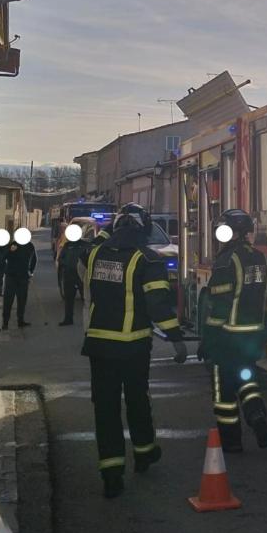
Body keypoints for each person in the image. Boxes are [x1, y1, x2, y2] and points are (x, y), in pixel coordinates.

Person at [81, 203, 185, 498]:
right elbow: (158, 306)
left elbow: (95, 244)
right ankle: (144, 453)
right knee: (137, 401)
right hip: (132, 346)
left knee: (106, 409)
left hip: (99, 345)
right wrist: (176, 337)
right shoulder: (147, 259)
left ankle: (112, 473)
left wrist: (108, 231)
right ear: (143, 228)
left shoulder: (97, 255)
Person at [201, 208, 267, 453]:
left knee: (223, 390)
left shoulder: (226, 261)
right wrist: (265, 325)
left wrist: (208, 339)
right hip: (252, 336)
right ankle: (256, 415)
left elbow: (219, 305)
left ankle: (232, 441)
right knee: (247, 378)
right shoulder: (262, 258)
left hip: (227, 337)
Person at [56, 219, 92, 326]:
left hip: (82, 276)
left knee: (86, 300)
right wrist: (65, 265)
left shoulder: (86, 245)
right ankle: (68, 319)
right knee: (69, 300)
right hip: (69, 276)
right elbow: (61, 258)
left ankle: (90, 321)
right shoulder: (67, 245)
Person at [2, 226, 37, 328]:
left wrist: (31, 271)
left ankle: (20, 321)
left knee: (22, 301)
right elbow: (3, 257)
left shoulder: (30, 246)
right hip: (11, 277)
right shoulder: (12, 245)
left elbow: (34, 259)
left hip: (23, 278)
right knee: (8, 300)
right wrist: (10, 251)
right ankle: (5, 322)